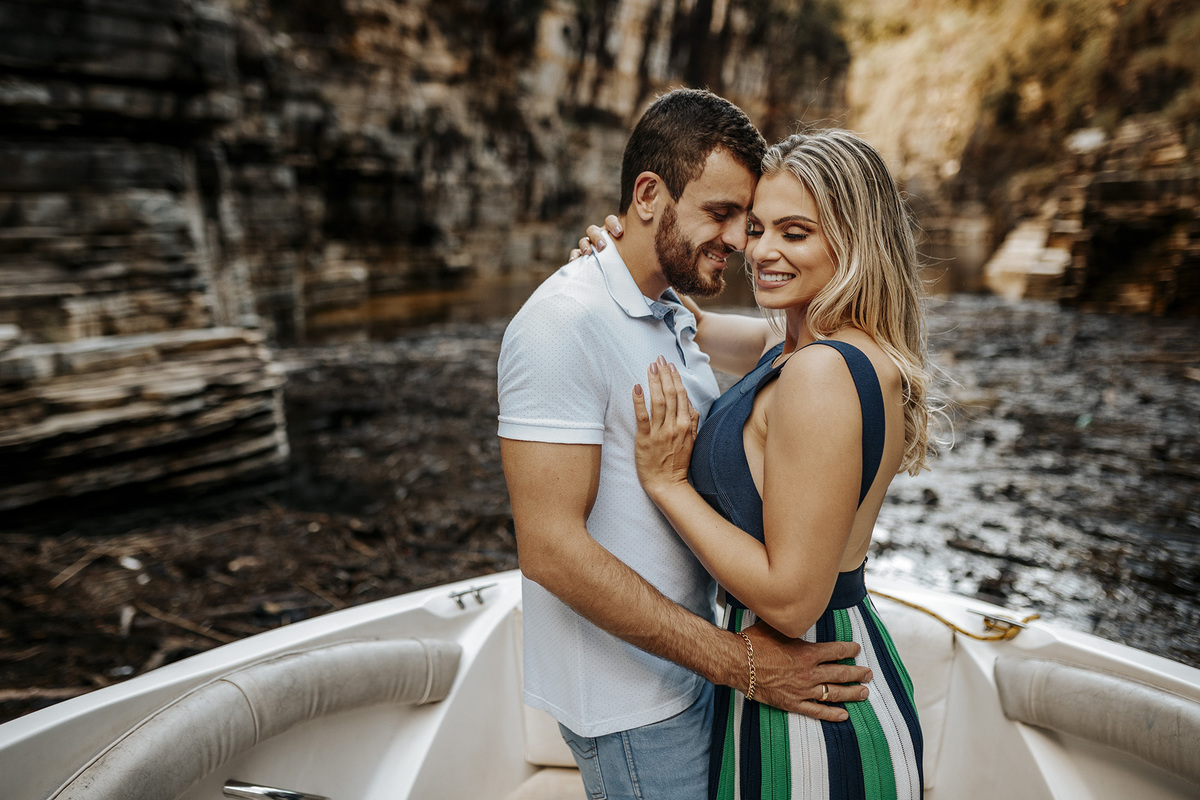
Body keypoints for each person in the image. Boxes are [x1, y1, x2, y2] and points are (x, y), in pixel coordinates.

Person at [497, 90, 873, 800]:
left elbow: (787, 348)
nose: (742, 242)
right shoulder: (559, 324)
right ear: (649, 195)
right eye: (724, 215)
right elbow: (550, 550)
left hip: (693, 671)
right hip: (633, 705)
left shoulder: (670, 310)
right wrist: (742, 664)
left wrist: (727, 665)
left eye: (753, 221)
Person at [610, 128, 931, 798]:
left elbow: (790, 599)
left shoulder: (816, 374)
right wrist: (619, 259)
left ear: (853, 241)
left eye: (795, 232)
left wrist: (669, 485)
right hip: (826, 671)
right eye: (756, 229)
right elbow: (687, 318)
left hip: (810, 698)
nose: (761, 252)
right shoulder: (817, 346)